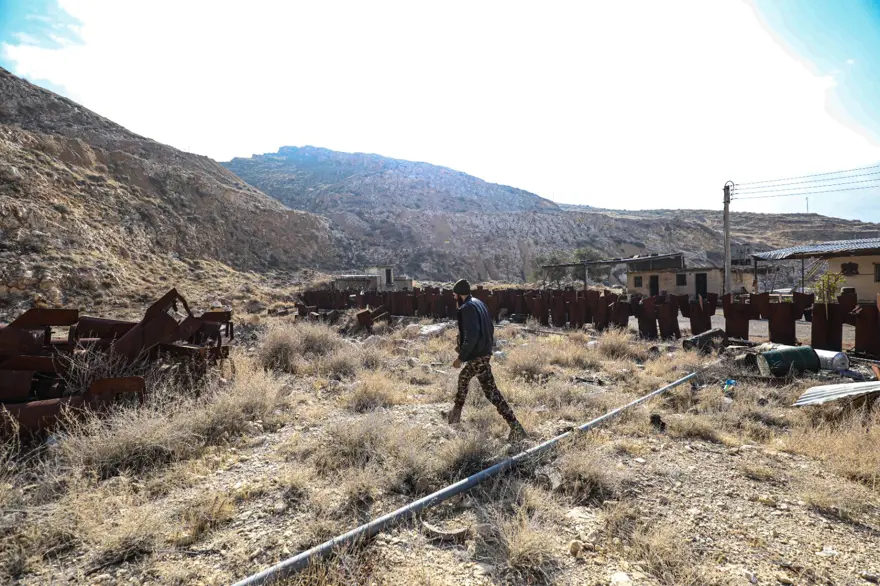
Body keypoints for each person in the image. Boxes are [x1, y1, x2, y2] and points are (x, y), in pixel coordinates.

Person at [448, 278, 528, 441]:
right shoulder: (479, 303)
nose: (454, 298)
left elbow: (472, 335)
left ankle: (516, 427)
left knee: (491, 393)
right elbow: (489, 327)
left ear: (459, 294)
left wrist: (461, 357)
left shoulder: (467, 308)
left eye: (454, 295)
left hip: (478, 356)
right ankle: (455, 414)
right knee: (464, 378)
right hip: (483, 353)